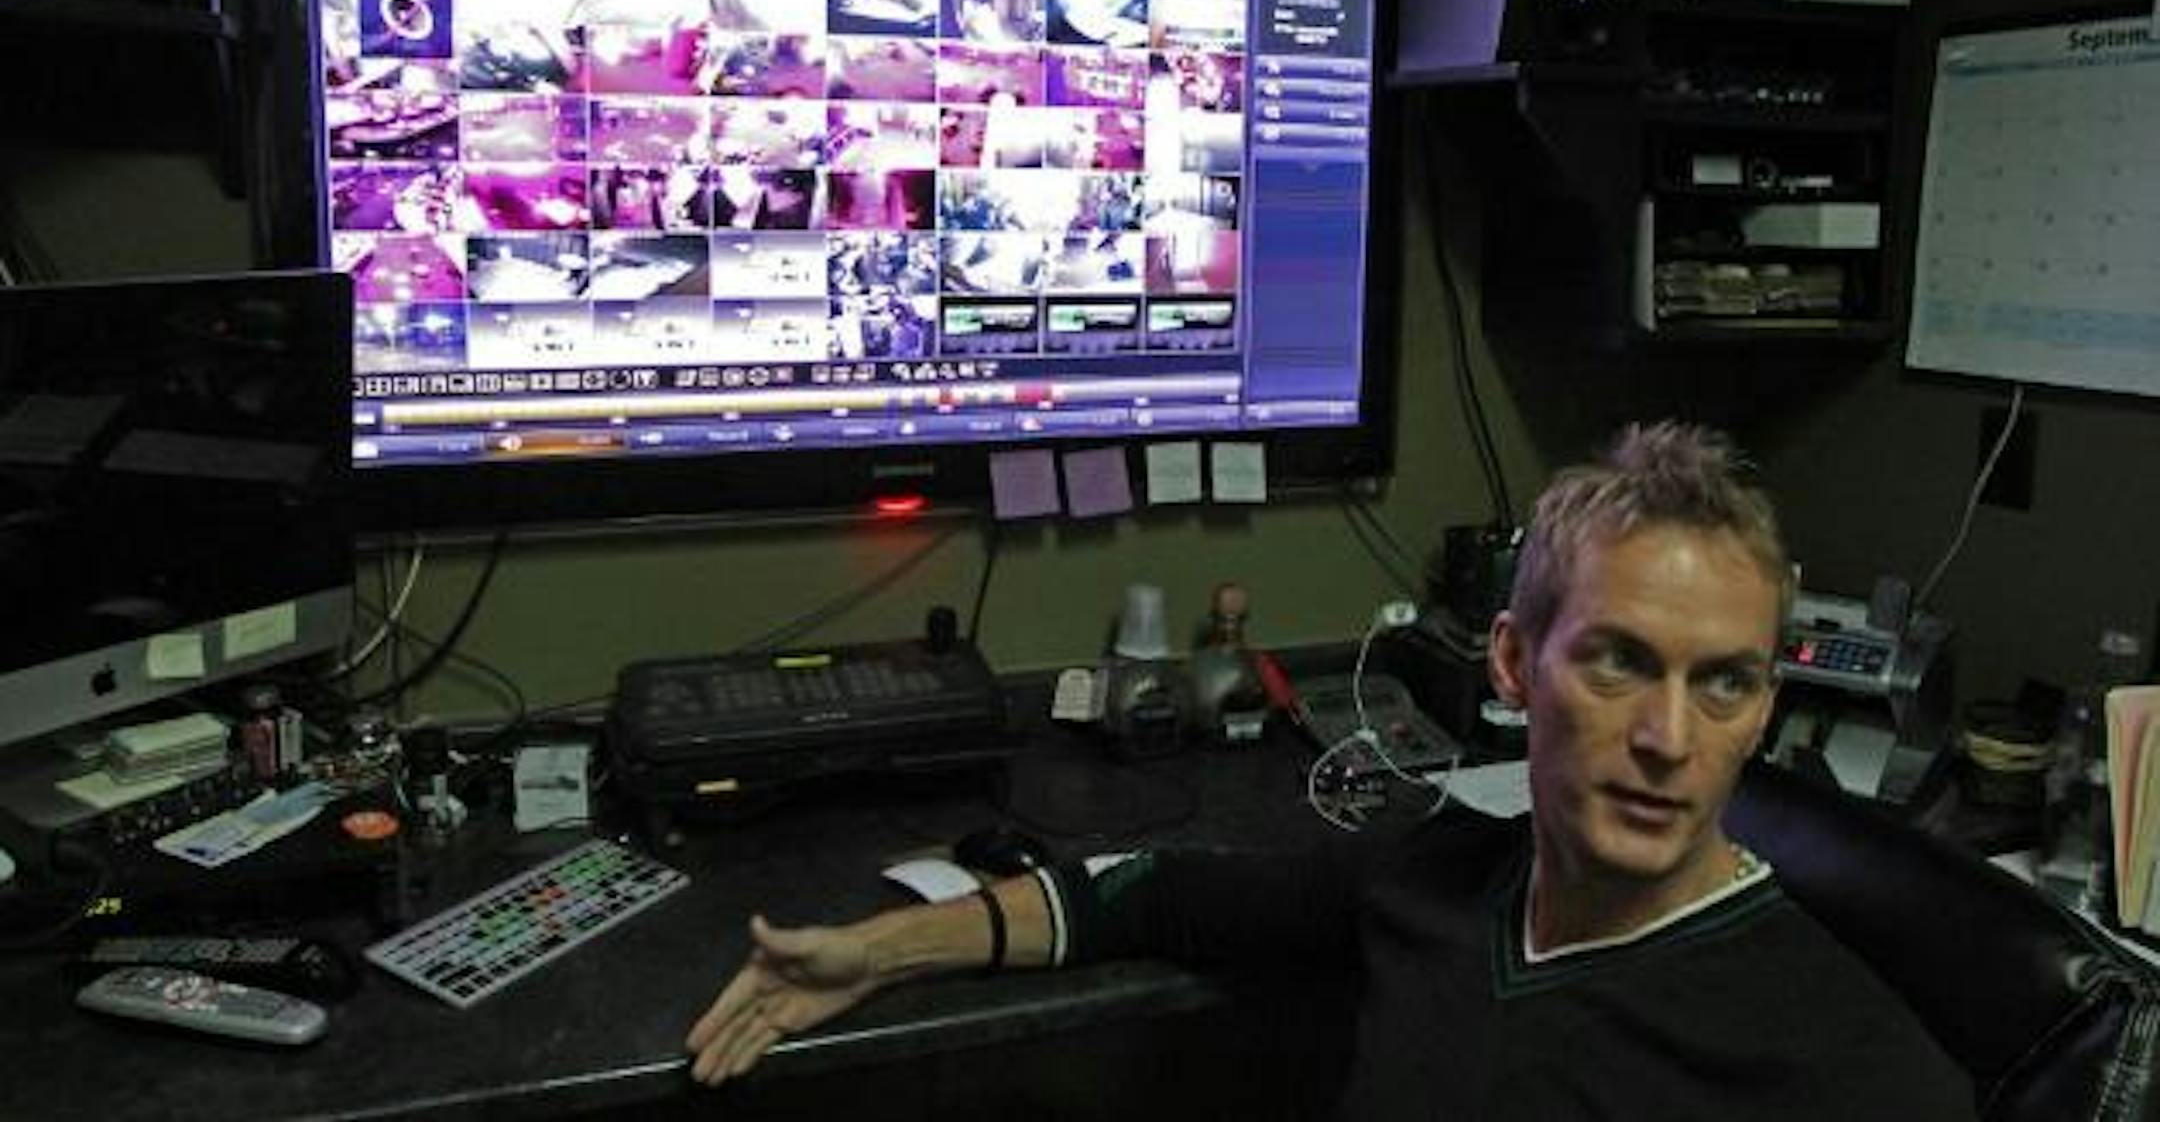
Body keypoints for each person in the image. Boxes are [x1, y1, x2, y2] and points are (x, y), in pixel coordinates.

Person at [684, 422, 1976, 1120]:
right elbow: (1163, 894)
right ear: (1516, 666)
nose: (1668, 740)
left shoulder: (1853, 1073)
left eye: (1725, 683)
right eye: (1620, 664)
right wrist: (885, 950)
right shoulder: (1447, 882)